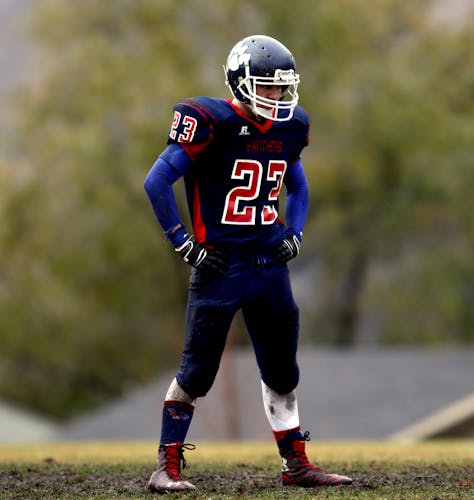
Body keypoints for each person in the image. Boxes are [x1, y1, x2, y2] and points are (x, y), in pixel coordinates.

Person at [143, 34, 353, 493]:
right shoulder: (210, 121)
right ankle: (167, 466)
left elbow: (298, 186)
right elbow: (156, 181)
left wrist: (295, 234)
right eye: (267, 85)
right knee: (197, 370)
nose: (276, 96)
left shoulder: (289, 127)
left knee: (282, 370)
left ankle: (296, 464)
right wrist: (183, 243)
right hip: (220, 266)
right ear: (240, 83)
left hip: (268, 266)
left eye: (282, 87)